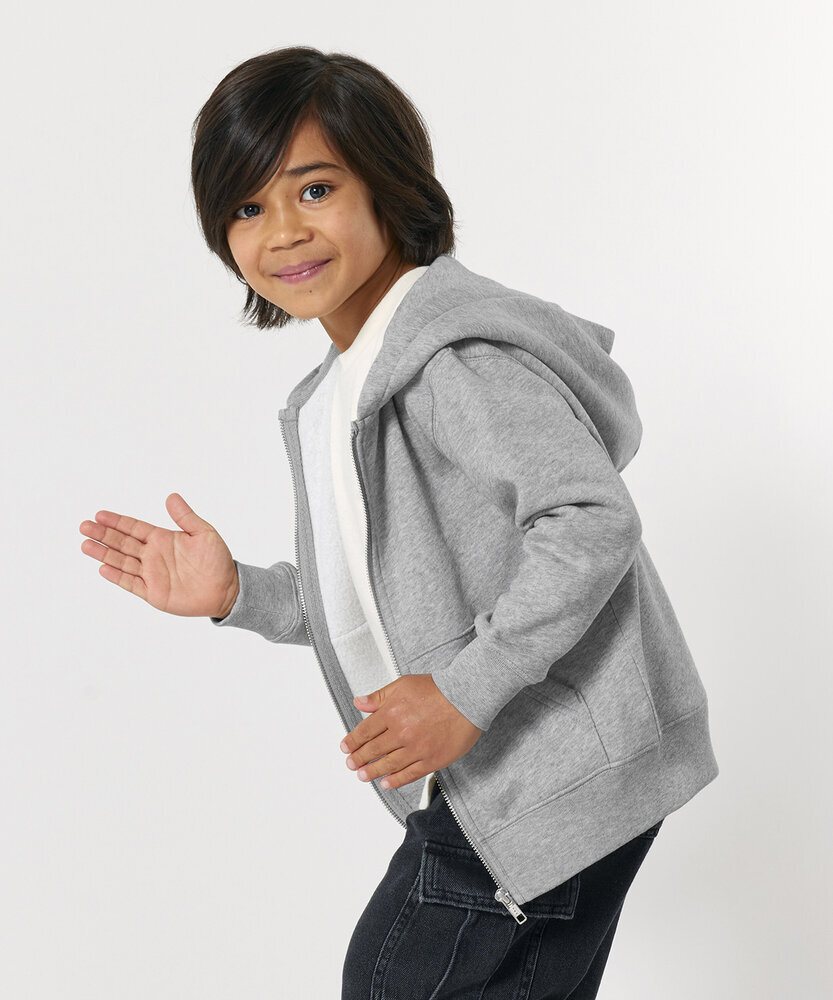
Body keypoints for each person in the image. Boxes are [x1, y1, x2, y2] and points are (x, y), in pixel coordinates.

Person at [78, 46, 719, 998]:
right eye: (247, 208)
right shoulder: (345, 386)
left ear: (387, 186)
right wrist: (240, 593)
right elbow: (388, 599)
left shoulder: (450, 359)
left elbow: (588, 520)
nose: (283, 231)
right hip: (517, 769)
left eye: (315, 188)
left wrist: (461, 694)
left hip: (540, 768)